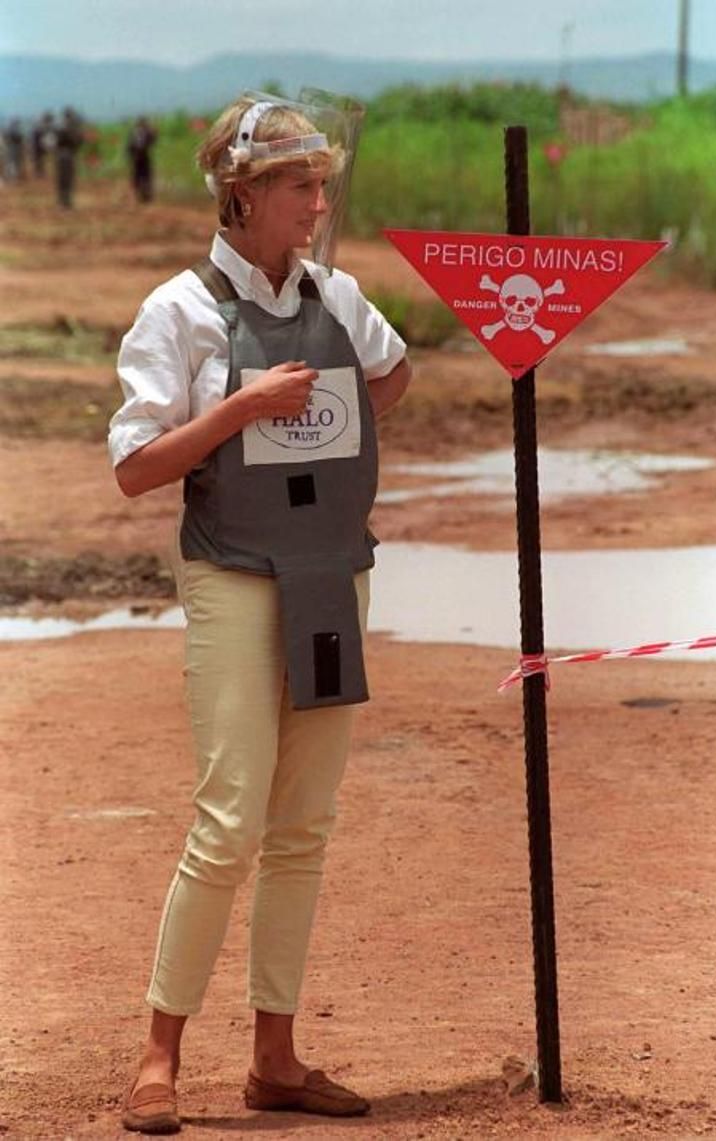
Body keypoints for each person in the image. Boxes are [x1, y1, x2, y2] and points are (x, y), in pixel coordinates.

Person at [108, 92, 411, 1134]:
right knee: (229, 817)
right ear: (241, 196)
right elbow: (134, 468)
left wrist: (331, 419)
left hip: (333, 576)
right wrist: (239, 412)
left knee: (304, 826)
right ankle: (160, 1055)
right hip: (233, 576)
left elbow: (395, 369)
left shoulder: (339, 293)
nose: (319, 203)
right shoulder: (177, 312)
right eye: (299, 187)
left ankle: (275, 1058)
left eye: (322, 185)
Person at [53, 107, 83, 208]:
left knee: (63, 179)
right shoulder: (69, 128)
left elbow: (53, 143)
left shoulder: (59, 127)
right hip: (68, 155)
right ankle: (65, 200)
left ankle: (63, 200)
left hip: (60, 155)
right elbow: (77, 142)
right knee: (67, 179)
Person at [126, 116, 158, 202]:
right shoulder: (137, 134)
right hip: (140, 157)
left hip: (141, 157)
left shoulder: (138, 133)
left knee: (143, 175)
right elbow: (130, 146)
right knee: (142, 175)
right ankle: (141, 193)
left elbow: (152, 141)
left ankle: (144, 193)